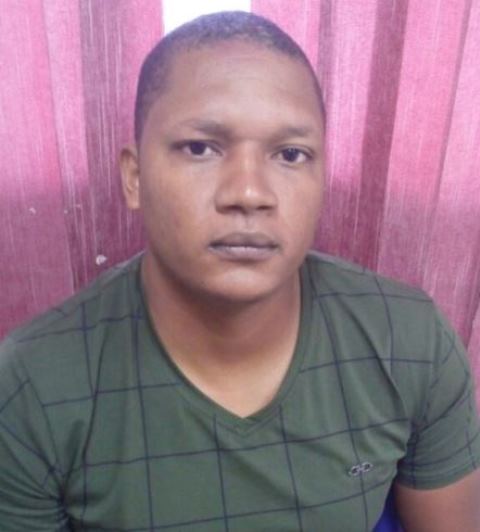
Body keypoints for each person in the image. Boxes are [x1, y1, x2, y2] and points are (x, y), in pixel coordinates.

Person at [0, 11, 479, 532]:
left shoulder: (409, 341)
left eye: (290, 154)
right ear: (134, 177)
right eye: (200, 148)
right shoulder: (33, 385)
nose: (249, 193)